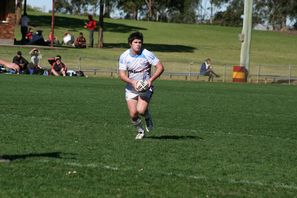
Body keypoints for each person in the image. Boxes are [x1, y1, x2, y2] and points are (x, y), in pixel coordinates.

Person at [118, 32, 164, 140]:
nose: (138, 44)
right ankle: (140, 131)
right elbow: (121, 75)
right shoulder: (124, 56)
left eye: (140, 42)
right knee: (133, 115)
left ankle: (147, 116)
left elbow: (160, 67)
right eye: (135, 42)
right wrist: (132, 82)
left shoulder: (147, 53)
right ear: (130, 43)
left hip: (145, 87)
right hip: (131, 88)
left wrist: (150, 80)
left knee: (141, 111)